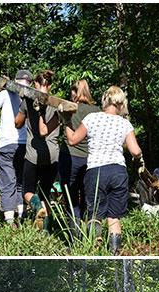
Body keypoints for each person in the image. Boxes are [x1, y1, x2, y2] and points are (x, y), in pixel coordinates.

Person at [63, 85, 143, 255]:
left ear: (105, 100)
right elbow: (135, 151)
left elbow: (72, 140)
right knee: (114, 216)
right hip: (118, 172)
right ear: (121, 104)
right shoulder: (125, 123)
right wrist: (138, 158)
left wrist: (67, 122)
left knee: (95, 213)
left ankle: (94, 247)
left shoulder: (92, 118)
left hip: (96, 171)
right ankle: (115, 251)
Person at [15, 70, 60, 232]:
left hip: (33, 154)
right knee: (46, 193)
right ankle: (46, 231)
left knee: (28, 191)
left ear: (35, 84)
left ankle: (35, 207)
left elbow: (18, 123)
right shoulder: (58, 104)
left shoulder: (28, 100)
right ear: (50, 85)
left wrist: (24, 114)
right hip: (53, 155)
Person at [0, 69, 31, 225]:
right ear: (29, 83)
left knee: (7, 181)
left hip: (6, 143)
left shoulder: (5, 95)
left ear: (15, 81)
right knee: (20, 181)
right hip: (25, 144)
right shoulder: (31, 99)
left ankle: (9, 220)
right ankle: (22, 215)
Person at [59, 80, 102, 242]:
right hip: (91, 159)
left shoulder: (68, 108)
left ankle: (74, 237)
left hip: (70, 157)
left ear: (76, 92)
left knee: (70, 198)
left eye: (72, 91)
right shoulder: (97, 111)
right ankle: (90, 235)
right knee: (87, 197)